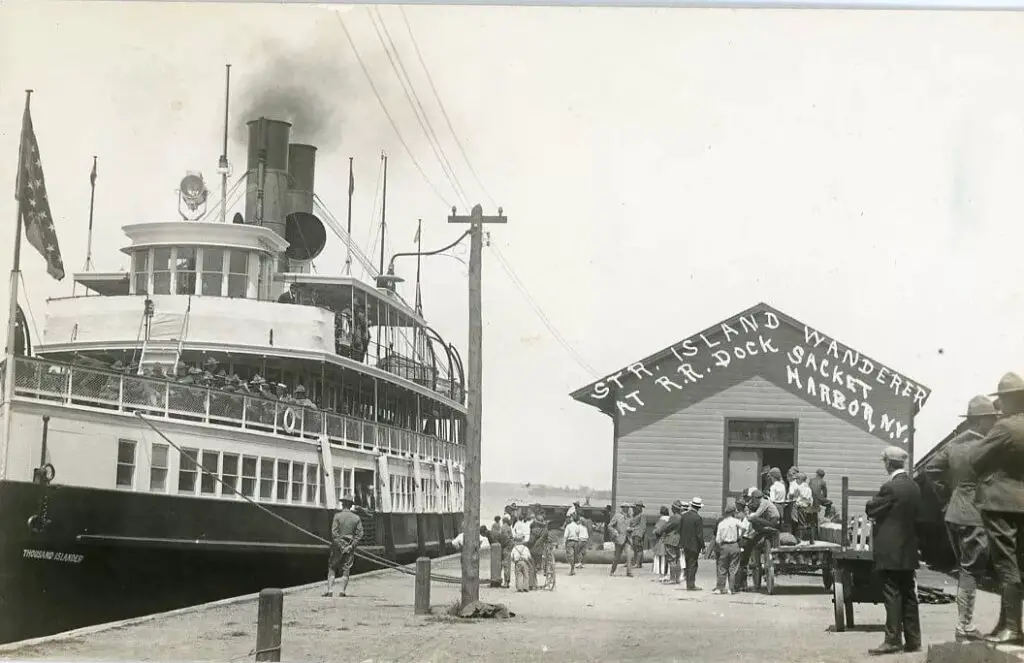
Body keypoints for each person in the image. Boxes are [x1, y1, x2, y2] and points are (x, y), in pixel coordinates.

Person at [925, 394, 1000, 642]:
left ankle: (964, 625)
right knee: (971, 571)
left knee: (965, 569)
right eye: (990, 419)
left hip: (954, 513)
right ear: (980, 421)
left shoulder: (955, 444)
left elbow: (931, 470)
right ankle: (964, 626)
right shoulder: (987, 446)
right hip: (975, 514)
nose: (993, 423)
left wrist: (948, 495)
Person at [970, 372, 1024, 645]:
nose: (1000, 405)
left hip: (1000, 503)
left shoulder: (1004, 429)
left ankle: (1012, 628)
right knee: (1019, 564)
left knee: (1006, 564)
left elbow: (975, 458)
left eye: (1002, 399)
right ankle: (1009, 624)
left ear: (1010, 399)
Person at [865, 445, 922, 656]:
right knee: (908, 594)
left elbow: (871, 508)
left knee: (892, 595)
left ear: (889, 463)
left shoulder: (890, 488)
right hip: (908, 549)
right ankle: (914, 640)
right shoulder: (914, 487)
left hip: (890, 550)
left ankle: (892, 640)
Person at [325, 492, 364, 598]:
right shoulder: (356, 518)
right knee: (346, 569)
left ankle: (330, 591)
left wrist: (341, 546)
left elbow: (334, 533)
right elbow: (359, 534)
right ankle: (342, 591)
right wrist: (351, 546)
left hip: (337, 547)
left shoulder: (337, 516)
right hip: (349, 547)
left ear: (343, 504)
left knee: (332, 567)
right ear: (351, 505)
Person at [714, 503, 743, 595]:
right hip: (734, 545)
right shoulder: (736, 521)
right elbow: (745, 527)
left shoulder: (721, 523)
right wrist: (740, 536)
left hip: (724, 545)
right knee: (733, 568)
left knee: (722, 567)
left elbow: (718, 539)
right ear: (734, 512)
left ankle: (720, 588)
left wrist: (720, 545)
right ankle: (731, 588)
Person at [680, 497, 705, 591]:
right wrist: (703, 546)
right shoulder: (698, 518)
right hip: (694, 545)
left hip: (685, 544)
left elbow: (680, 529)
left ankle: (688, 584)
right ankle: (691, 584)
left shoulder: (684, 516)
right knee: (693, 564)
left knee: (687, 563)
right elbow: (699, 534)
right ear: (698, 508)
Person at [660, 500, 685, 585]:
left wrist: (659, 531)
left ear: (674, 508)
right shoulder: (681, 517)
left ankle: (672, 578)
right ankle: (677, 578)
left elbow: (666, 527)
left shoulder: (674, 517)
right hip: (678, 539)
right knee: (677, 559)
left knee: (671, 559)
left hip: (671, 539)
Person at [609, 503, 634, 577]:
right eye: (625, 507)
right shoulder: (617, 516)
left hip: (627, 539)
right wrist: (615, 531)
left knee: (629, 556)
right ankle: (612, 571)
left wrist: (631, 529)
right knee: (617, 557)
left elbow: (632, 526)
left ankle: (629, 572)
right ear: (622, 508)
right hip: (619, 539)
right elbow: (610, 526)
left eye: (628, 508)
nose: (627, 509)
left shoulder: (630, 517)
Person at [789, 473, 815, 543]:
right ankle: (811, 540)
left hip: (802, 507)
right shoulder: (808, 488)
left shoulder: (801, 488)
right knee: (808, 524)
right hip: (808, 507)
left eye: (797, 479)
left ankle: (799, 539)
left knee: (801, 524)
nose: (796, 481)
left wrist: (797, 503)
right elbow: (810, 499)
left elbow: (799, 498)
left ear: (800, 480)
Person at [808, 469, 829, 541]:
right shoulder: (823, 482)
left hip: (810, 500)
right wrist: (823, 500)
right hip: (817, 501)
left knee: (812, 519)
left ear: (816, 474)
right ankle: (827, 516)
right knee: (829, 504)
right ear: (822, 476)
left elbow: (809, 490)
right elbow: (825, 494)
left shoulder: (811, 480)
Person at [652, 506, 671, 578]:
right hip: (669, 540)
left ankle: (662, 574)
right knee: (667, 558)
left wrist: (654, 531)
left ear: (661, 513)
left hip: (661, 541)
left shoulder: (661, 521)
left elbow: (657, 531)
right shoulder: (670, 520)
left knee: (661, 558)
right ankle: (667, 574)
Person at [629, 501, 646, 569]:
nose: (634, 509)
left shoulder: (642, 515)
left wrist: (640, 535)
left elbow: (643, 526)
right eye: (633, 508)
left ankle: (638, 563)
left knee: (639, 549)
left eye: (635, 508)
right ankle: (635, 562)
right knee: (635, 549)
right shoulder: (634, 515)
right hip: (633, 533)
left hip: (638, 534)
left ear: (640, 508)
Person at [499, 515, 514, 588]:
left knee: (505, 565)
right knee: (508, 565)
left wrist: (502, 545)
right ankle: (507, 581)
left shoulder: (503, 527)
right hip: (509, 547)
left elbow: (504, 538)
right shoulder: (509, 527)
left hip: (505, 547)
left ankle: (505, 582)